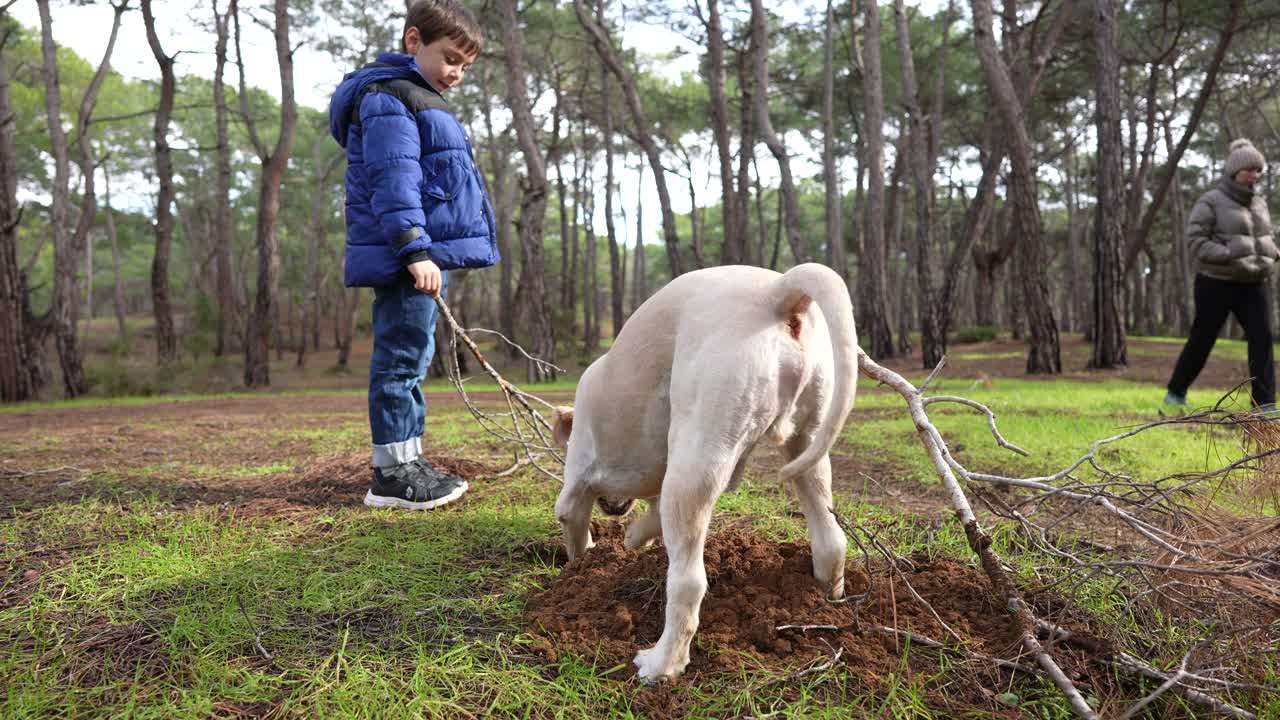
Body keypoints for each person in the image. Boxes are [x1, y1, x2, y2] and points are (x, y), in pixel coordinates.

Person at [328, 0, 499, 510]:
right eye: (450, 59)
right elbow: (394, 178)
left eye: (466, 67)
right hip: (408, 257)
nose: (457, 74)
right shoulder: (389, 96)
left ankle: (408, 459)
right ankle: (392, 476)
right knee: (401, 359)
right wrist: (414, 251)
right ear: (413, 41)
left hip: (420, 256)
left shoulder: (417, 95)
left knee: (414, 355)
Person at [1165, 138, 1277, 411]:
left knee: (1262, 338)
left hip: (1253, 282)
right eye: (1248, 169)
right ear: (1233, 171)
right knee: (1202, 340)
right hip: (1216, 283)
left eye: (1257, 169)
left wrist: (1272, 251)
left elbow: (1264, 237)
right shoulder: (1212, 200)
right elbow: (1195, 241)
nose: (1253, 174)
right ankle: (1175, 394)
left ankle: (1264, 405)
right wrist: (1230, 253)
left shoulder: (1259, 203)